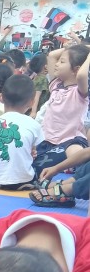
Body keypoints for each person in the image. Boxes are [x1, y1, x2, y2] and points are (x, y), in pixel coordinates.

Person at [31, 45, 90, 176]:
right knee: (32, 165)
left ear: (76, 69)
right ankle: (67, 166)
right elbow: (52, 55)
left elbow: (82, 75)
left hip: (70, 140)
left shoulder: (80, 92)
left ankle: (75, 168)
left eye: (62, 62)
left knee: (76, 151)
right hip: (47, 141)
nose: (57, 64)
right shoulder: (55, 85)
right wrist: (76, 47)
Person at [0, 75, 42, 190]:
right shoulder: (34, 124)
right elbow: (35, 151)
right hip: (22, 182)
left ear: (1, 97)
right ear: (31, 102)